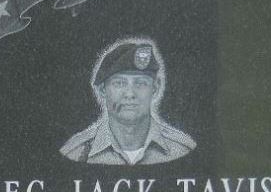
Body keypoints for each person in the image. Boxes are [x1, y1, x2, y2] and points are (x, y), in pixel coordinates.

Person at [60, 39, 196, 165]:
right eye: (119, 83)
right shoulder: (76, 153)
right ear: (102, 90)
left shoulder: (182, 150)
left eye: (141, 83)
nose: (130, 94)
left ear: (155, 88)